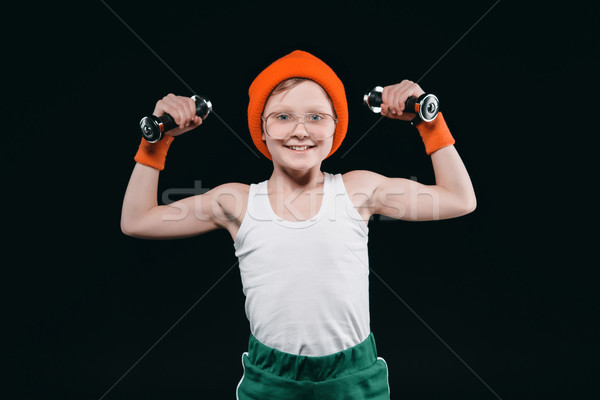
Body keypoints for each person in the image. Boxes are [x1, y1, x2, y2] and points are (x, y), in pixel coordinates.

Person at [121, 50, 476, 399]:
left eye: (317, 117)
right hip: (271, 381)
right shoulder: (238, 202)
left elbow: (460, 198)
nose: (300, 130)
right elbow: (137, 220)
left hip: (354, 380)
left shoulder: (358, 190)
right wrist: (157, 140)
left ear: (336, 125)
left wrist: (428, 122)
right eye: (283, 116)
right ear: (262, 127)